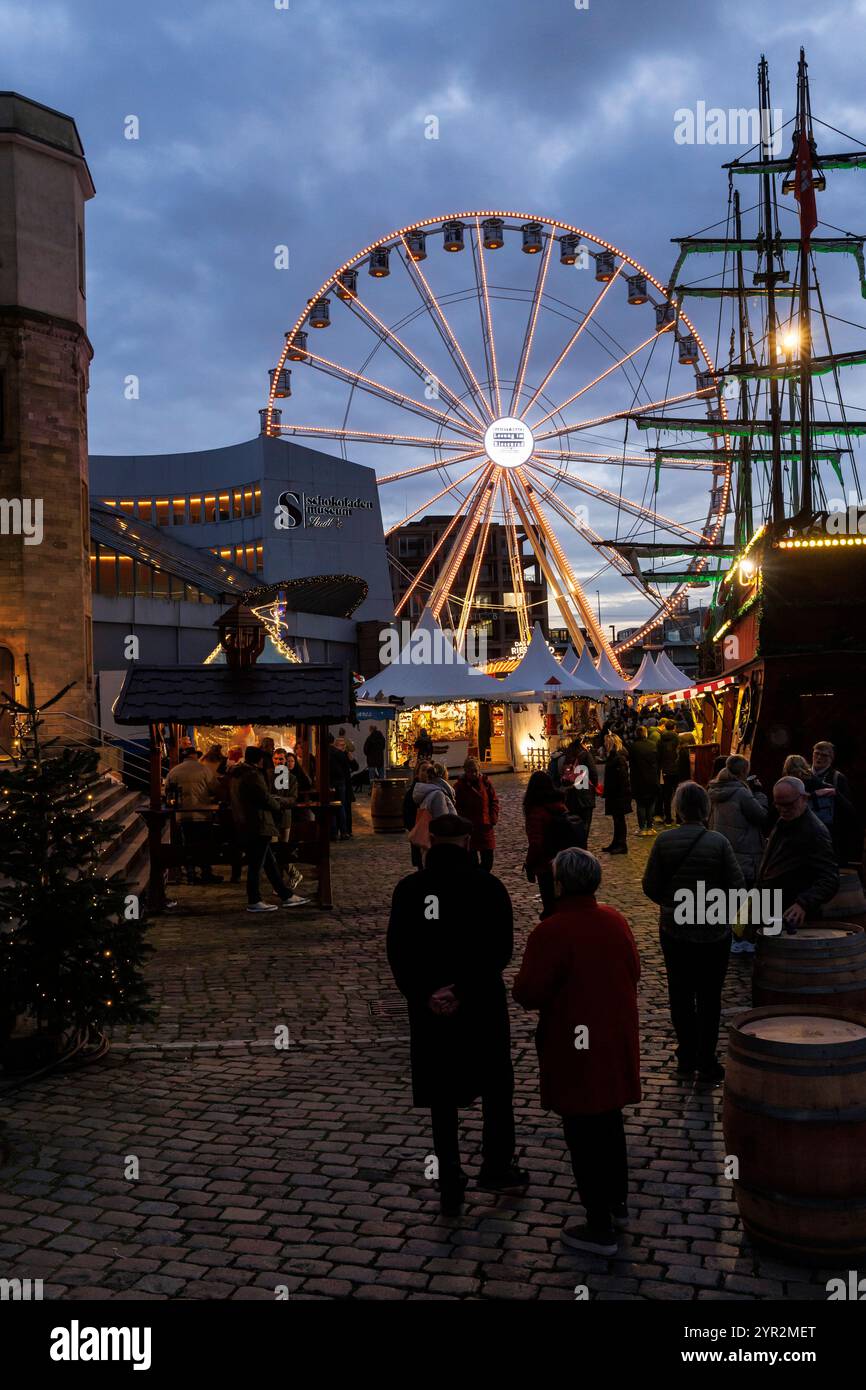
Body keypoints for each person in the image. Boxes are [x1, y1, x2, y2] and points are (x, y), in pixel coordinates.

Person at [387, 812, 528, 1215]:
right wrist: (463, 990)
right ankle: (497, 1165)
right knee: (496, 1088)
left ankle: (450, 1174)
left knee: (442, 1095)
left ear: (431, 843)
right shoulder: (487, 887)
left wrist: (425, 993)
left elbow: (399, 951)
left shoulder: (411, 890)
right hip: (479, 1003)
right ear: (467, 843)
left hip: (431, 1009)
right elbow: (498, 950)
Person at [513, 847, 640, 1256]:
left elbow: (528, 993)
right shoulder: (616, 921)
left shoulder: (551, 931)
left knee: (583, 1131)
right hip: (613, 1037)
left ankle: (598, 1223)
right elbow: (634, 971)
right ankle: (617, 1203)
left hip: (574, 1042)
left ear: (561, 883)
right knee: (610, 1122)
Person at [642, 781, 744, 1083]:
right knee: (710, 997)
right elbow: (738, 887)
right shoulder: (719, 842)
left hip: (676, 932)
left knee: (681, 994)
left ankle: (686, 1056)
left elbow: (650, 885)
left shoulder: (664, 841)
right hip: (714, 933)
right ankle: (708, 1059)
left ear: (678, 808)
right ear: (705, 808)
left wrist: (671, 903)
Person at [228, 746, 308, 912]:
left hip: (248, 823)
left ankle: (285, 895)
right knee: (257, 864)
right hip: (259, 823)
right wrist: (278, 804)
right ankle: (254, 899)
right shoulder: (253, 775)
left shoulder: (237, 773)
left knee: (269, 863)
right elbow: (265, 797)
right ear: (260, 760)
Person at [757, 776, 840, 931]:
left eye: (788, 804)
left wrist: (803, 903)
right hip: (773, 909)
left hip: (794, 917)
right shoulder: (784, 821)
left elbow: (830, 878)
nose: (783, 809)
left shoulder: (814, 832)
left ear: (803, 798)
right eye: (778, 805)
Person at [707, 755, 768, 954]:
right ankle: (740, 937)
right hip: (745, 850)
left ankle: (728, 935)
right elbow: (760, 816)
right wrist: (759, 793)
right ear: (743, 772)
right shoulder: (742, 793)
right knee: (746, 898)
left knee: (729, 895)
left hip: (724, 848)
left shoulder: (716, 789)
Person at [523, 771, 583, 916]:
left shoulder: (536, 812)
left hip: (546, 865)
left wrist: (530, 865)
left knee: (550, 908)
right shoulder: (559, 805)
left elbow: (536, 843)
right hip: (565, 862)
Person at [164, 745, 221, 884]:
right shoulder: (204, 769)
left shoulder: (173, 771)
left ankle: (191, 875)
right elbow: (215, 788)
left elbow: (167, 791)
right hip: (202, 814)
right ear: (195, 756)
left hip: (183, 815)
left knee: (188, 846)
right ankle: (206, 873)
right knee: (204, 845)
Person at [810, 741, 860, 864]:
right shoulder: (803, 775)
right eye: (817, 753)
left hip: (828, 835)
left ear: (831, 758)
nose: (819, 757)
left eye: (824, 755)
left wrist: (835, 794)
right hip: (806, 833)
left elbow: (850, 810)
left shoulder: (838, 778)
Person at [454, 757, 500, 871]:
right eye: (470, 771)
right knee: (472, 862)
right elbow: (456, 805)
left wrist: (492, 817)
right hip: (470, 829)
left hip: (485, 827)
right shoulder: (459, 786)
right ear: (466, 771)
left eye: (475, 771)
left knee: (488, 861)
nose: (474, 774)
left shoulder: (485, 783)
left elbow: (493, 800)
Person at [548, 738, 599, 839]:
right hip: (585, 794)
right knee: (585, 823)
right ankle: (582, 845)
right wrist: (594, 785)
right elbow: (593, 773)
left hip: (571, 794)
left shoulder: (567, 757)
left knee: (574, 823)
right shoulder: (585, 755)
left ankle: (575, 843)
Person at [601, 733, 631, 855]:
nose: (604, 744)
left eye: (605, 742)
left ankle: (621, 844)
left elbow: (622, 778)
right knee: (616, 819)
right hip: (615, 793)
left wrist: (617, 791)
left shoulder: (618, 758)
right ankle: (616, 842)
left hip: (619, 794)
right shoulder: (613, 757)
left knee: (619, 820)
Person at [628, 725, 659, 838]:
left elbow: (631, 765)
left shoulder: (633, 747)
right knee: (651, 803)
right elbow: (657, 761)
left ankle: (642, 828)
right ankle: (650, 827)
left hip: (638, 779)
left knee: (641, 804)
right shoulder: (653, 745)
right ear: (646, 733)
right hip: (652, 778)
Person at [403, 761, 431, 870]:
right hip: (419, 834)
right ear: (417, 773)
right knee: (421, 866)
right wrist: (415, 829)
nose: (426, 773)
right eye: (423, 770)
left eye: (428, 770)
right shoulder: (412, 793)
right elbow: (407, 814)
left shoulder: (435, 790)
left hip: (432, 834)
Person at [327, 733, 354, 840]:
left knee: (334, 807)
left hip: (334, 782)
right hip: (341, 782)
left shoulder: (327, 753)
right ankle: (343, 831)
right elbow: (349, 767)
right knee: (340, 807)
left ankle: (335, 832)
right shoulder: (339, 753)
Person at [658, 720, 681, 826]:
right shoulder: (677, 738)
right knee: (678, 794)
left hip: (665, 770)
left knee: (667, 796)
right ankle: (679, 818)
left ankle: (668, 819)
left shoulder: (661, 738)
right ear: (674, 727)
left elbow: (659, 754)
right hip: (676, 769)